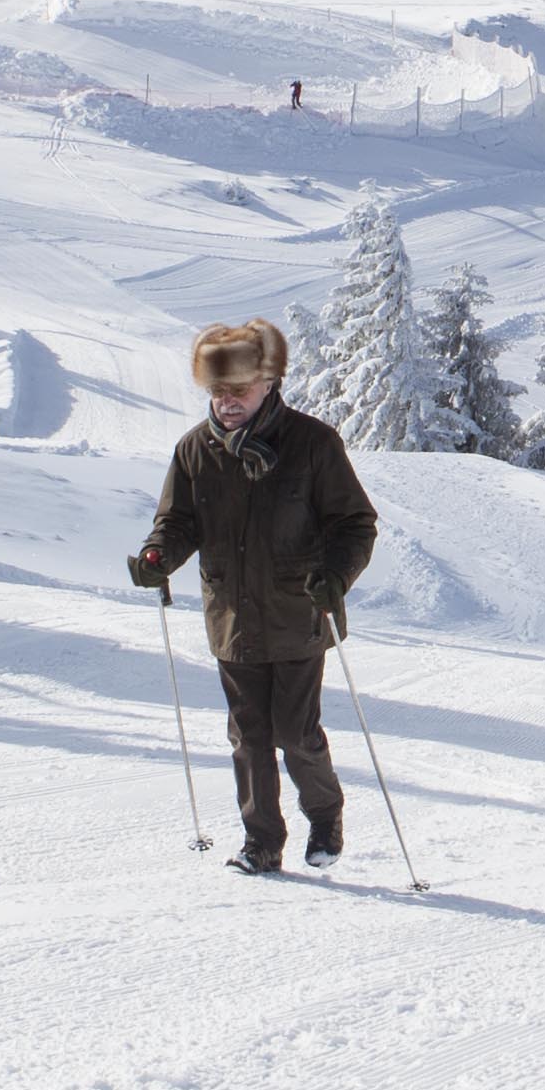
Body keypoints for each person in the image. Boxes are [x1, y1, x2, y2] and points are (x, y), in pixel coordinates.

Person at [130, 319, 381, 873]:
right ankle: (261, 844)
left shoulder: (313, 444)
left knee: (295, 734)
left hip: (298, 611)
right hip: (232, 617)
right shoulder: (195, 450)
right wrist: (157, 555)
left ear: (268, 382)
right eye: (217, 392)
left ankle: (324, 815)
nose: (226, 403)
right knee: (249, 738)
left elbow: (355, 523)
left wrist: (336, 575)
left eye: (238, 390)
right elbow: (176, 522)